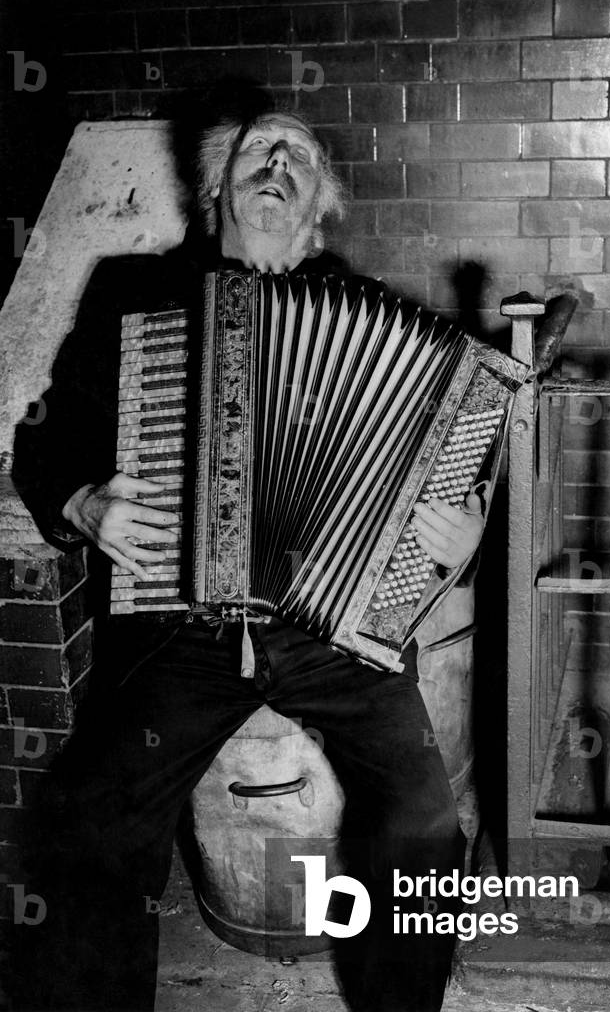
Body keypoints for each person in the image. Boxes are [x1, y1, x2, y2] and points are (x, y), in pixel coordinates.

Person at [11, 105, 485, 1012]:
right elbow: (45, 443)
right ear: (218, 184)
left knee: (419, 814)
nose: (276, 160)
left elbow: (450, 495)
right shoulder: (130, 295)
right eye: (259, 147)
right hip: (174, 623)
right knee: (84, 819)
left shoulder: (377, 323)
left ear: (317, 212)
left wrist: (457, 548)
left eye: (300, 155)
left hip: (332, 629)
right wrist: (80, 503)